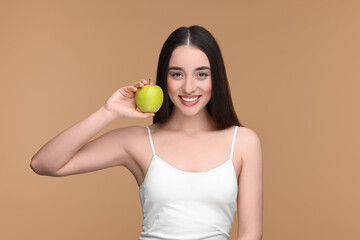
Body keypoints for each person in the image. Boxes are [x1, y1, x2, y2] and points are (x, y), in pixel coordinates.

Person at [31, 25, 263, 240]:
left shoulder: (243, 142)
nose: (189, 87)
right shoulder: (139, 142)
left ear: (216, 78)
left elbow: (251, 233)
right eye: (177, 74)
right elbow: (45, 163)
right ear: (164, 79)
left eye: (201, 74)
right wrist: (107, 112)